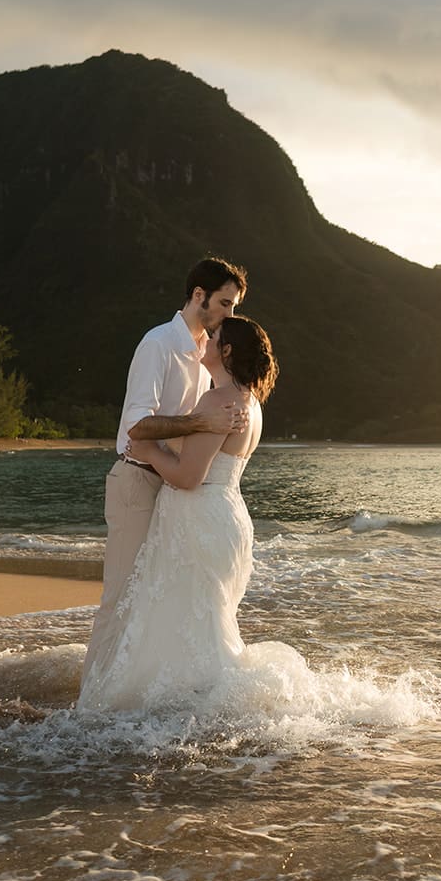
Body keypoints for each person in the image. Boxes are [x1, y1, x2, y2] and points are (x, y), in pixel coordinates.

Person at [78, 315, 283, 712]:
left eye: (215, 337)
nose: (205, 339)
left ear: (226, 351)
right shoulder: (249, 403)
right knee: (204, 620)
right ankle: (207, 704)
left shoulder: (218, 400)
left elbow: (189, 477)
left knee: (185, 618)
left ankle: (194, 709)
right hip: (228, 515)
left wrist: (151, 451)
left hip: (199, 518)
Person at [84, 257, 251, 672]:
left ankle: (127, 688)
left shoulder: (204, 357)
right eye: (226, 304)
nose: (231, 314)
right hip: (138, 481)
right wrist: (201, 421)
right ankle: (91, 702)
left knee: (148, 602)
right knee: (120, 598)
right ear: (199, 296)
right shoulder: (158, 344)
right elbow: (136, 425)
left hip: (171, 489)